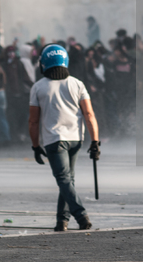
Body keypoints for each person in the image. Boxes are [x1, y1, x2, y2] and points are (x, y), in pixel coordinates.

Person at [29, 44, 100, 232]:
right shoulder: (77, 84)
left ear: (43, 63)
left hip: (54, 140)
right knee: (68, 180)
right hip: (76, 139)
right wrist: (95, 142)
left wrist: (35, 145)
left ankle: (81, 215)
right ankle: (62, 221)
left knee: (64, 179)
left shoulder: (38, 87)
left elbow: (33, 121)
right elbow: (89, 115)